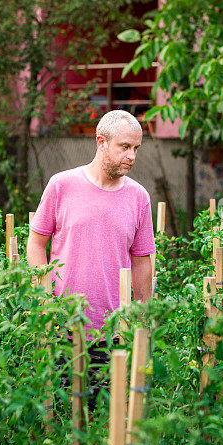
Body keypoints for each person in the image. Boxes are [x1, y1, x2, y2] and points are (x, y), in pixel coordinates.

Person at [27, 110, 156, 406]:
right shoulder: (62, 186)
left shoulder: (139, 198)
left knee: (103, 420)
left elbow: (141, 259)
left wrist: (144, 313)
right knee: (58, 416)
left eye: (136, 148)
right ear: (101, 142)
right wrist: (45, 297)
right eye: (124, 147)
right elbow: (36, 242)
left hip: (112, 329)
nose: (132, 156)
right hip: (62, 325)